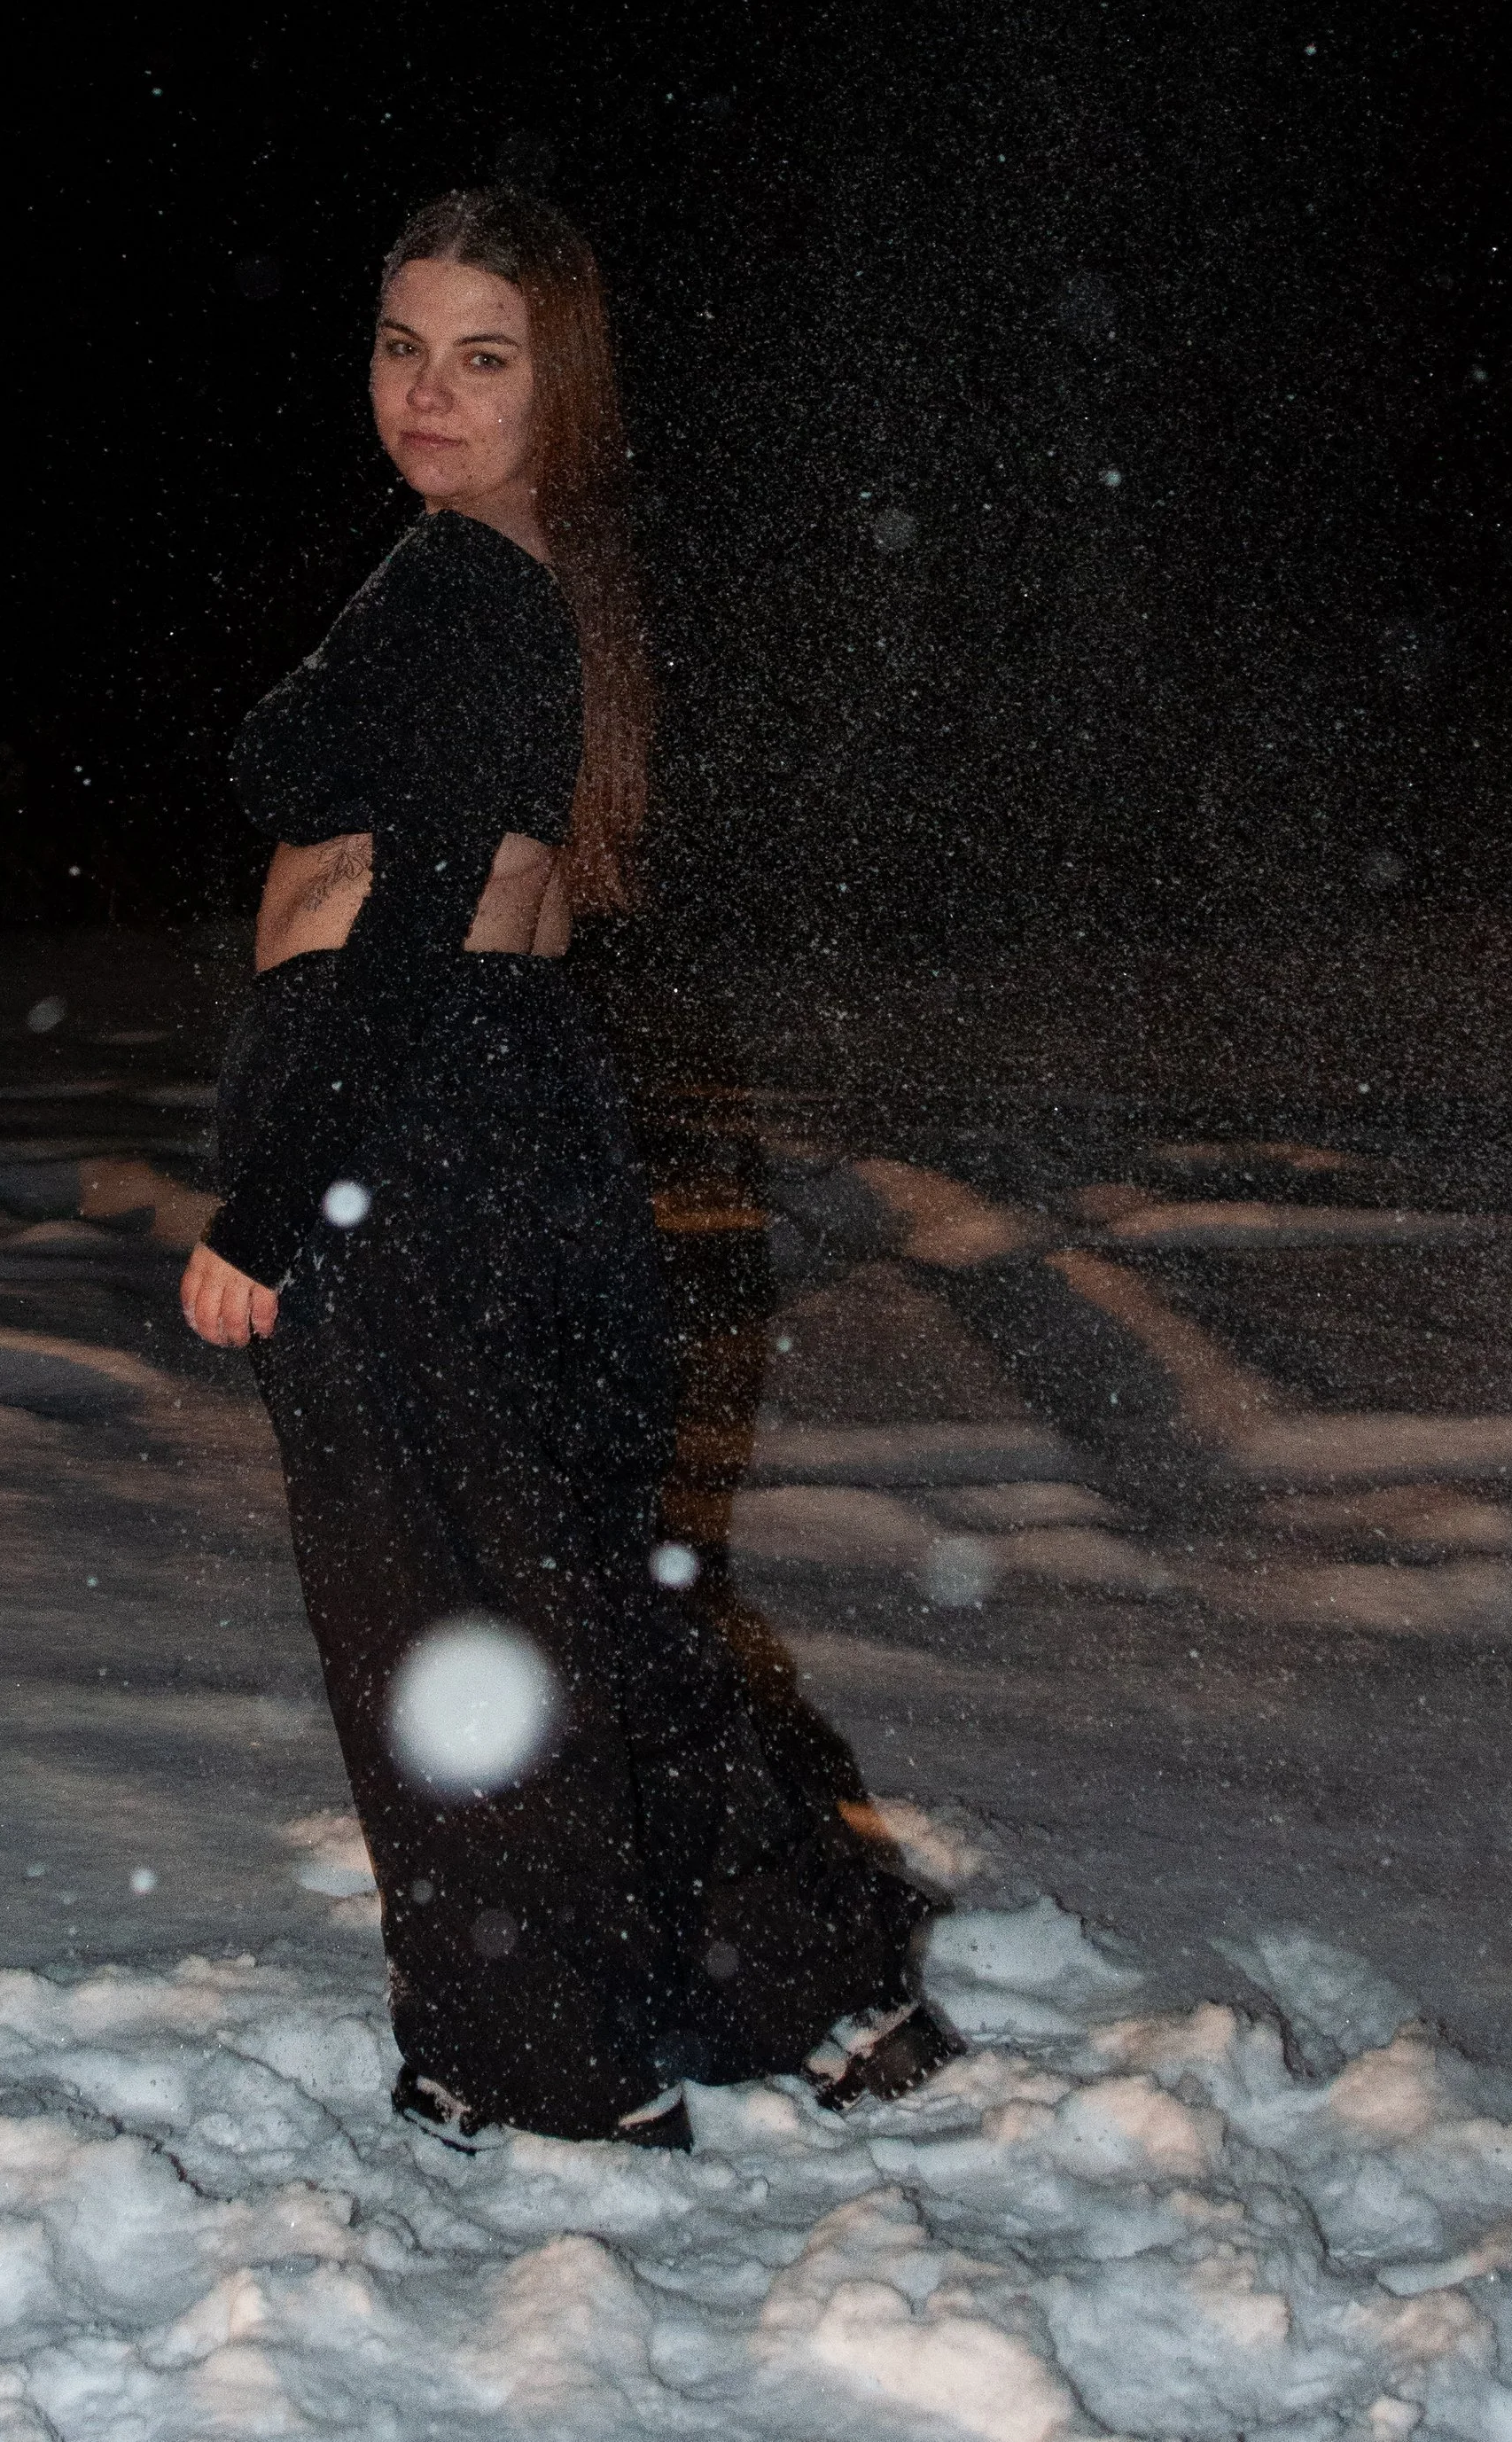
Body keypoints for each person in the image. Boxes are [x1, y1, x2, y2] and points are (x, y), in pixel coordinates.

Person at [179, 185, 955, 2149]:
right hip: (507, 1116)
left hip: (401, 1123)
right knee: (572, 1592)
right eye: (398, 346)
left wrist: (274, 1199)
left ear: (560, 386)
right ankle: (808, 1981)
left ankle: (531, 2065)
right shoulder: (521, 574)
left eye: (483, 357)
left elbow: (418, 910)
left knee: (444, 1614)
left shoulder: (462, 589)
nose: (426, 394)